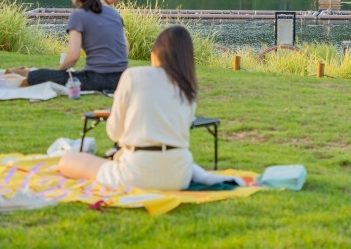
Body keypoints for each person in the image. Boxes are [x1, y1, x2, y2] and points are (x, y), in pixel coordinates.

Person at [58, 26, 237, 190]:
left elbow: (114, 133)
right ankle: (203, 177)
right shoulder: (189, 88)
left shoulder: (133, 75)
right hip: (178, 176)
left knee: (69, 160)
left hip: (136, 173)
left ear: (156, 53)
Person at [26, 0, 128, 92]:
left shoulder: (78, 15)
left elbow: (73, 56)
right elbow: (126, 46)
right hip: (122, 78)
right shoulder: (113, 13)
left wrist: (58, 73)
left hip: (97, 79)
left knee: (36, 76)